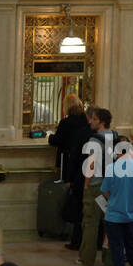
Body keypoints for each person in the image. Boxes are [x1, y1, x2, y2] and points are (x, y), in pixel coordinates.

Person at [49, 94, 90, 249]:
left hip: (69, 164)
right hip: (85, 166)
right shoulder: (86, 122)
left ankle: (72, 234)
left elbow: (57, 140)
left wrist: (50, 138)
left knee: (72, 198)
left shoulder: (65, 122)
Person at [77, 108, 116, 266]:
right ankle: (109, 258)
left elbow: (91, 164)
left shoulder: (94, 140)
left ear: (101, 120)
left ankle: (87, 258)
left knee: (90, 221)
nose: (90, 121)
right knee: (109, 221)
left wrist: (86, 184)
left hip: (96, 185)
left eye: (93, 119)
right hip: (111, 185)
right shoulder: (115, 136)